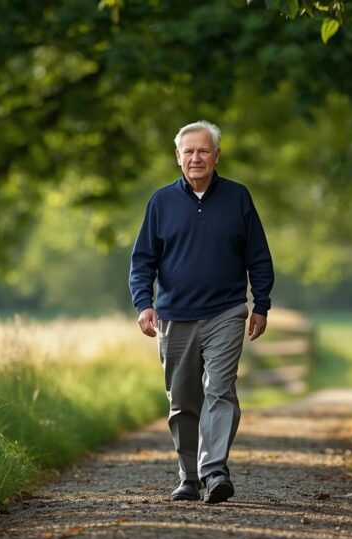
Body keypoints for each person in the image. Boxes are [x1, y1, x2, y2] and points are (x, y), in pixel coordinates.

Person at [129, 120, 275, 504]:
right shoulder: (161, 202)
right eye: (188, 151)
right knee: (183, 400)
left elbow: (258, 257)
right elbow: (142, 261)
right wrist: (144, 304)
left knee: (220, 390)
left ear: (216, 156)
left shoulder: (238, 198)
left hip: (226, 312)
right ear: (178, 157)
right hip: (175, 315)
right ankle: (188, 477)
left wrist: (261, 304)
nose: (196, 158)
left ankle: (214, 472)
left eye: (203, 150)